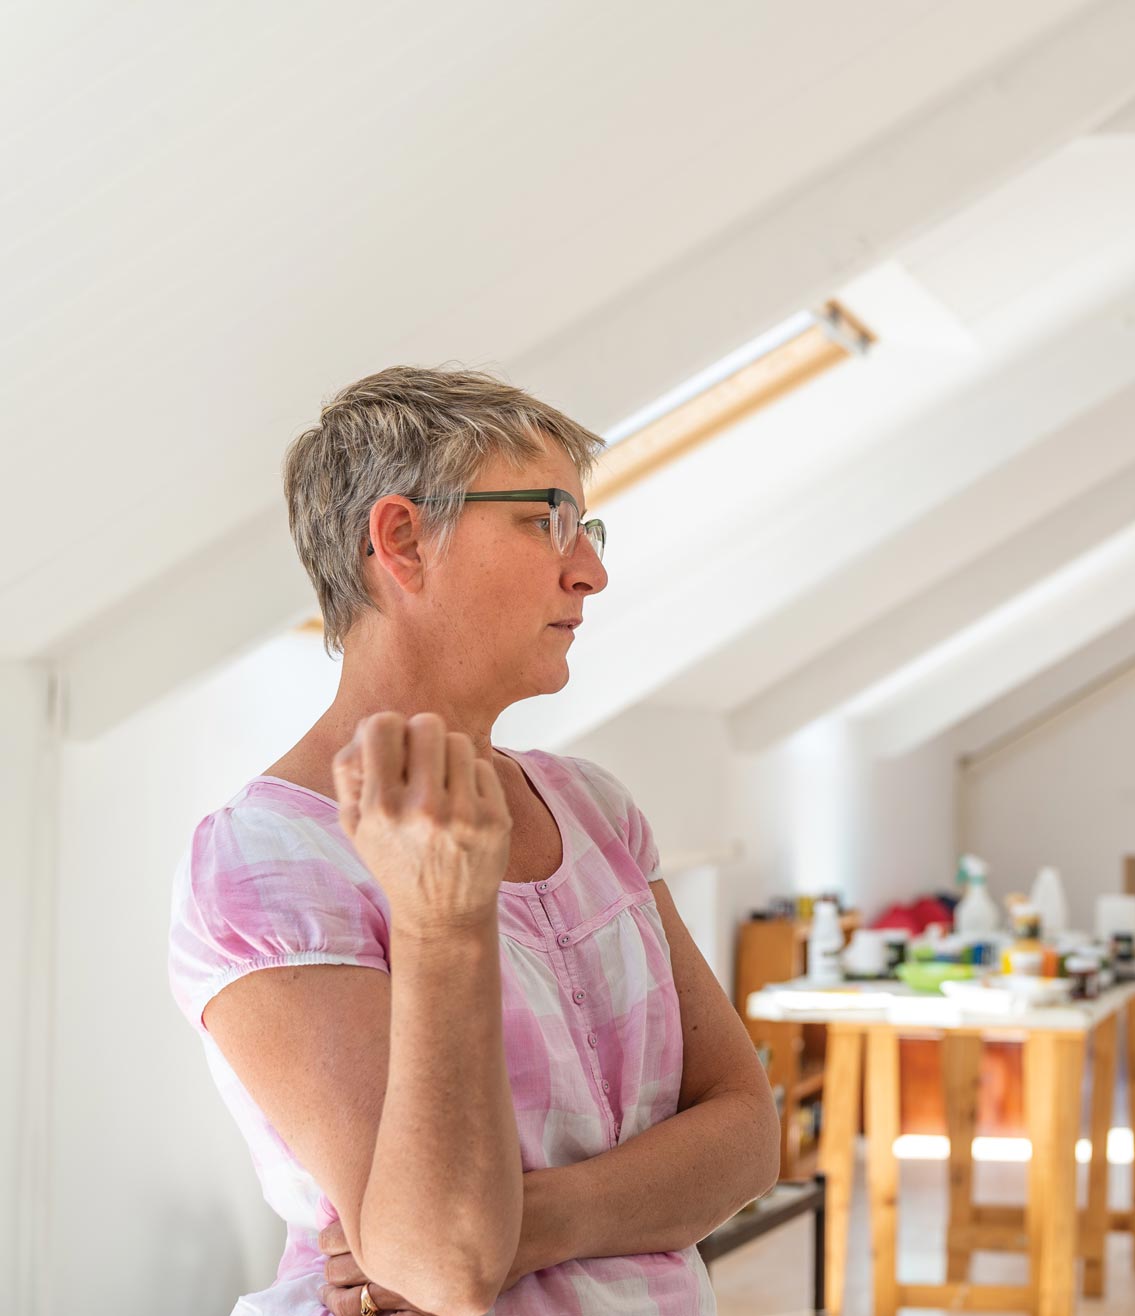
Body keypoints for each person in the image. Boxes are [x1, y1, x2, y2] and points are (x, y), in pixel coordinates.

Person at [168, 366, 779, 1315]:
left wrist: (529, 1224)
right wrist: (443, 924)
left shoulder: (593, 808)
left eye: (588, 529)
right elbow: (444, 1261)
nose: (592, 571)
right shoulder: (264, 865)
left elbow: (745, 1136)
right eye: (546, 520)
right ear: (402, 540)